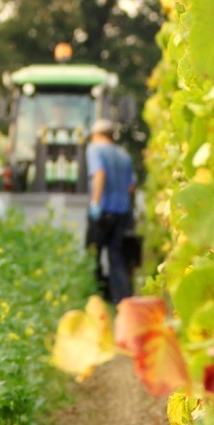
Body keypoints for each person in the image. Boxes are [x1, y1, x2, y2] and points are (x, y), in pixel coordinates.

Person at [86, 119, 136, 305]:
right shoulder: (124, 155)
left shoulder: (95, 149)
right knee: (117, 257)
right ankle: (121, 302)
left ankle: (95, 297)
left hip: (103, 211)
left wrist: (95, 203)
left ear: (97, 135)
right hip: (122, 212)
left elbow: (100, 174)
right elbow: (131, 187)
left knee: (93, 255)